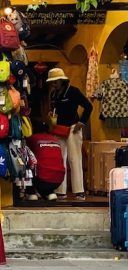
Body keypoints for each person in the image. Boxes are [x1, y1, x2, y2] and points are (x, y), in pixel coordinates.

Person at [46, 67, 92, 200]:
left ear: (62, 81)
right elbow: (54, 109)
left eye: (55, 82)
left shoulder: (73, 91)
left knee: (74, 159)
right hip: (59, 129)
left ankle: (79, 191)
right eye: (52, 82)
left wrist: (81, 122)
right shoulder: (54, 94)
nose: (53, 84)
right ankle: (61, 191)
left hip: (73, 129)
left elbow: (88, 106)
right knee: (60, 160)